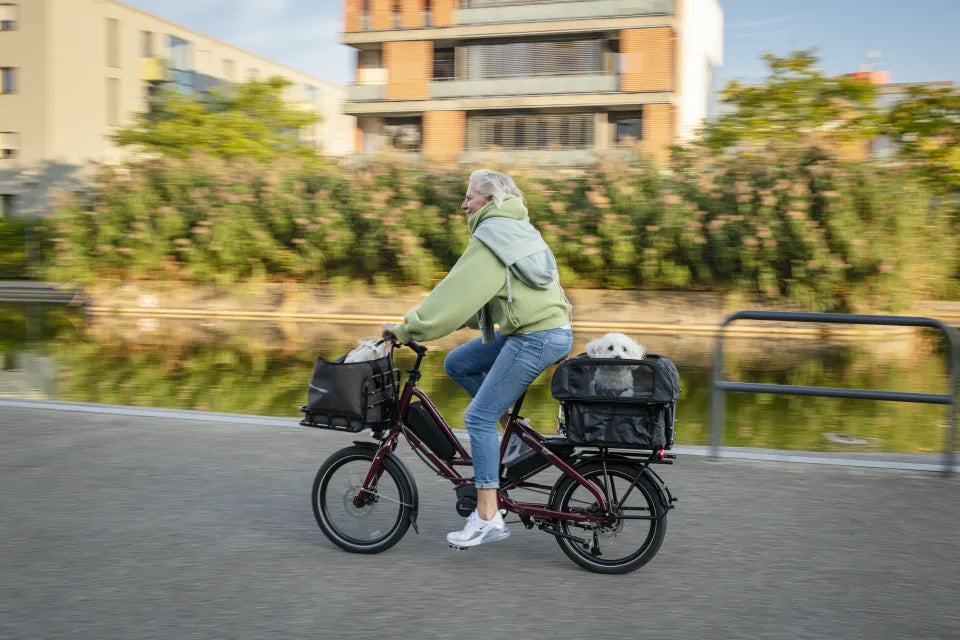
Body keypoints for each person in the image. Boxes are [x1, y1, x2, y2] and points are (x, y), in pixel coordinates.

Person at [383, 169, 573, 548]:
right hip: (544, 329)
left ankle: (487, 515)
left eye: (469, 197)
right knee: (459, 363)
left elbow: (452, 294)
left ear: (489, 201)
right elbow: (480, 299)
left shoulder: (491, 237)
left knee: (477, 417)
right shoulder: (518, 230)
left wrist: (408, 329)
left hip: (534, 336)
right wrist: (441, 325)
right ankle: (515, 437)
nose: (463, 204)